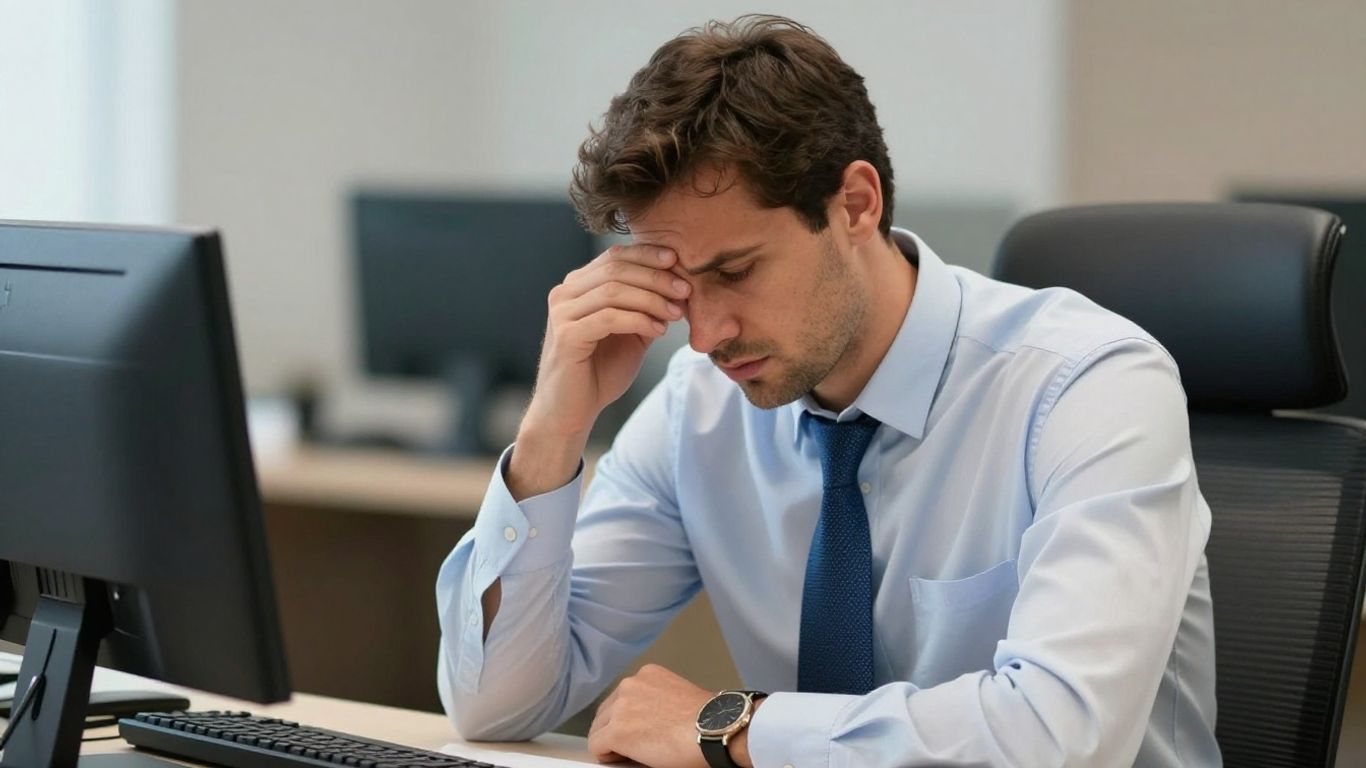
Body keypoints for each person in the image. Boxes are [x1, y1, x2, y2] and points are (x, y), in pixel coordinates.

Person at [436, 14, 1220, 768]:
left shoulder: (1087, 386)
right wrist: (551, 434)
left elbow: (1060, 739)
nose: (704, 337)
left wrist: (736, 728)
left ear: (855, 204)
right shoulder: (696, 411)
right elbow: (495, 707)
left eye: (735, 273)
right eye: (678, 286)